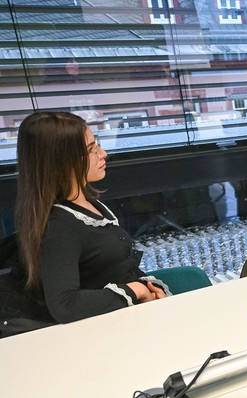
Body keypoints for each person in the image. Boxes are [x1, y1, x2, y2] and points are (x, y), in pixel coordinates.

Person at [13, 111, 165, 324]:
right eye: (91, 150)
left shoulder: (91, 205)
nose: (103, 154)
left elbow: (117, 269)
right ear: (61, 161)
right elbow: (66, 305)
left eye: (97, 145)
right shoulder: (59, 225)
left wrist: (151, 290)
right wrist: (136, 290)